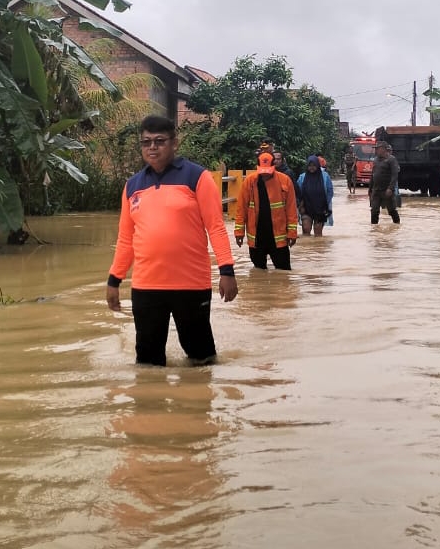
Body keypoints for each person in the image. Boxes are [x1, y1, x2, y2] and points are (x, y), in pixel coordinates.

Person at [106, 116, 238, 366]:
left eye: (159, 141)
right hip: (146, 287)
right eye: (146, 142)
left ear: (174, 143)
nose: (152, 147)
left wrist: (227, 271)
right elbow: (126, 239)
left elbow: (216, 228)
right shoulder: (132, 186)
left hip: (191, 284)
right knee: (147, 362)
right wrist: (114, 280)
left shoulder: (197, 177)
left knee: (202, 360)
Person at [234, 151, 298, 269]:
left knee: (283, 274)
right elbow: (241, 209)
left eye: (268, 171)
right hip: (257, 238)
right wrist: (239, 232)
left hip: (278, 238)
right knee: (258, 274)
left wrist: (292, 233)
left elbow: (291, 210)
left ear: (274, 166)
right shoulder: (249, 181)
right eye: (262, 172)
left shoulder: (285, 181)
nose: (265, 175)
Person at [296, 155, 334, 236]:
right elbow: (298, 193)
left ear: (318, 166)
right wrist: (300, 206)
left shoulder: (325, 176)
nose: (312, 167)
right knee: (306, 230)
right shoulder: (302, 177)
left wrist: (325, 206)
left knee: (318, 234)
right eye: (309, 165)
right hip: (306, 208)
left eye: (314, 165)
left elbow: (330, 191)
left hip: (320, 209)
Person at [368, 140, 400, 225]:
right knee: (374, 210)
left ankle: (397, 225)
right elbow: (373, 174)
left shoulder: (391, 159)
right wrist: (370, 189)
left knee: (392, 210)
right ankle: (374, 229)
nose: (376, 150)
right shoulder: (375, 160)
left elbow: (394, 175)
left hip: (386, 190)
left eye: (377, 149)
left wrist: (390, 188)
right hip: (376, 190)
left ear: (383, 149)